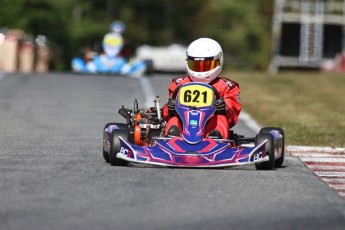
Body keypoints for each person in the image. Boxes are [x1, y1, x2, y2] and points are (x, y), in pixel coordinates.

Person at [162, 38, 242, 139]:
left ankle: (216, 142)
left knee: (220, 118)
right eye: (196, 65)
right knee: (174, 119)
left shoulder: (227, 86)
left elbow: (232, 114)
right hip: (184, 130)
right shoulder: (179, 84)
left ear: (219, 61)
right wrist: (170, 108)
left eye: (207, 65)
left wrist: (224, 109)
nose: (201, 71)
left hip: (210, 130)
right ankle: (171, 142)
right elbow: (165, 114)